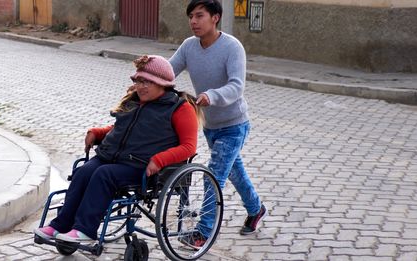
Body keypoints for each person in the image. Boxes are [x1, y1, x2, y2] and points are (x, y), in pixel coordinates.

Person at [34, 55, 200, 242]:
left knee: (104, 174)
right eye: (138, 80)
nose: (140, 86)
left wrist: (159, 160)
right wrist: (97, 133)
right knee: (83, 172)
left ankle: (85, 230)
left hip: (140, 165)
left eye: (147, 82)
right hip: (111, 155)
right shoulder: (135, 101)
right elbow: (120, 129)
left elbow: (188, 147)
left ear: (163, 84)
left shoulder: (180, 108)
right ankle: (60, 225)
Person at [169, 0, 266, 247]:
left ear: (215, 17)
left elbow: (236, 86)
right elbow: (168, 71)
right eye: (191, 16)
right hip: (210, 126)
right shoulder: (189, 46)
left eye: (199, 16)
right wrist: (147, 76)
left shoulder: (232, 47)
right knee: (235, 172)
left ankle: (203, 232)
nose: (193, 21)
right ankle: (256, 209)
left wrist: (210, 96)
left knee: (213, 175)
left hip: (234, 125)